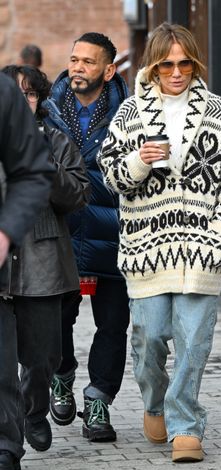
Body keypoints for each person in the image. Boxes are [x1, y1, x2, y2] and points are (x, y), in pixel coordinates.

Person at [97, 22, 221, 462]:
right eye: (167, 64)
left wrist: (219, 239)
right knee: (149, 338)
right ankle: (155, 402)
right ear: (154, 66)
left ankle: (186, 427)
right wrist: (138, 161)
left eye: (185, 63)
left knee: (194, 339)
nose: (177, 72)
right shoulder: (130, 114)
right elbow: (111, 179)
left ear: (194, 63)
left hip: (202, 251)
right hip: (147, 249)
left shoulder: (217, 112)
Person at [1, 64, 90, 465]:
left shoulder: (57, 141)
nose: (22, 100)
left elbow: (78, 196)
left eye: (30, 94)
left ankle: (35, 409)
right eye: (14, 93)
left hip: (44, 266)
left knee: (42, 358)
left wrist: (44, 167)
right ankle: (8, 444)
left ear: (39, 101)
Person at [43, 32, 130, 442]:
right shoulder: (46, 110)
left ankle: (99, 400)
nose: (78, 67)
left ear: (108, 70)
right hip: (60, 234)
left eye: (89, 62)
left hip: (113, 232)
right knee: (56, 319)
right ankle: (60, 375)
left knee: (112, 325)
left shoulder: (130, 112)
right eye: (74, 59)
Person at [0, 72, 54, 470]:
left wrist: (5, 233)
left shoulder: (2, 97)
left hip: (28, 264)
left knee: (22, 360)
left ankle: (5, 445)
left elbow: (31, 173)